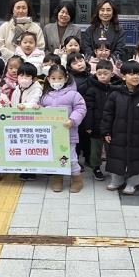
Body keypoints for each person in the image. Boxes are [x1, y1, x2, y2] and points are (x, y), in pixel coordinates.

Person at [101, 61, 139, 194]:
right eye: (131, 74)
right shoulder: (115, 94)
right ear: (123, 76)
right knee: (116, 157)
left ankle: (132, 183)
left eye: (138, 74)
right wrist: (106, 131)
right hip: (117, 134)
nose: (135, 77)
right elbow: (107, 114)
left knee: (136, 159)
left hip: (138, 136)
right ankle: (116, 180)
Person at [41, 64, 87, 193]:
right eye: (53, 78)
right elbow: (40, 110)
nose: (56, 81)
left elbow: (81, 109)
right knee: (55, 157)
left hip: (68, 134)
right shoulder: (45, 96)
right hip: (51, 135)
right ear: (48, 79)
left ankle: (77, 179)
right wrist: (37, 108)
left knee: (71, 158)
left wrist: (72, 120)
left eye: (60, 78)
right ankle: (58, 178)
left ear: (66, 78)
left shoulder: (73, 94)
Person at [81, 59, 115, 181]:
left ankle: (113, 168)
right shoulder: (92, 90)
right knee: (96, 149)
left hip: (111, 125)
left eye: (105, 73)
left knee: (111, 148)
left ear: (112, 73)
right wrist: (88, 125)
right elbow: (88, 109)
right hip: (96, 125)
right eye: (99, 73)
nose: (102, 76)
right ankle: (96, 167)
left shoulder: (115, 89)